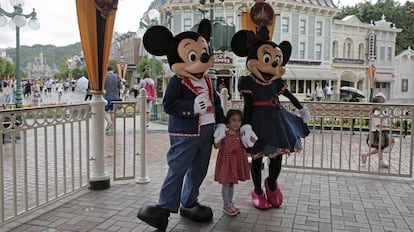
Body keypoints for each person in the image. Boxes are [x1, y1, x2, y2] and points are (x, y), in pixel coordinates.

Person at [137, 19, 226, 231]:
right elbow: (169, 105)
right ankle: (164, 207)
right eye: (193, 55)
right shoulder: (177, 81)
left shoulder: (207, 80)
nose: (203, 59)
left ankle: (189, 201)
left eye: (204, 52)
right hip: (185, 133)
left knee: (199, 170)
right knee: (177, 169)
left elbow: (216, 103)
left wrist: (221, 123)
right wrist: (192, 106)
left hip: (206, 132)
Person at [213, 109, 250, 216]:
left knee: (231, 184)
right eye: (233, 120)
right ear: (228, 121)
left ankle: (230, 203)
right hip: (226, 163)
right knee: (226, 184)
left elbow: (248, 143)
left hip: (235, 163)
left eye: (239, 120)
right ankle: (226, 205)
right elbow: (216, 146)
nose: (236, 123)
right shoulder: (224, 133)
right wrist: (219, 137)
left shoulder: (240, 133)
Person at [361, 92, 394, 168]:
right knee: (380, 148)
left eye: (383, 103)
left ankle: (366, 155)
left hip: (381, 132)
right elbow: (377, 125)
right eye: (380, 103)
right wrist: (388, 126)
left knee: (379, 148)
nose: (383, 105)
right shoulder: (377, 112)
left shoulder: (381, 112)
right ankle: (380, 161)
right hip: (378, 133)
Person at [104, 66, 123, 132]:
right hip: (116, 97)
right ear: (113, 69)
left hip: (107, 96)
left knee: (105, 111)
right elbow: (121, 86)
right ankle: (113, 126)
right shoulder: (117, 76)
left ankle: (109, 122)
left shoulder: (105, 76)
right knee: (112, 111)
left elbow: (102, 86)